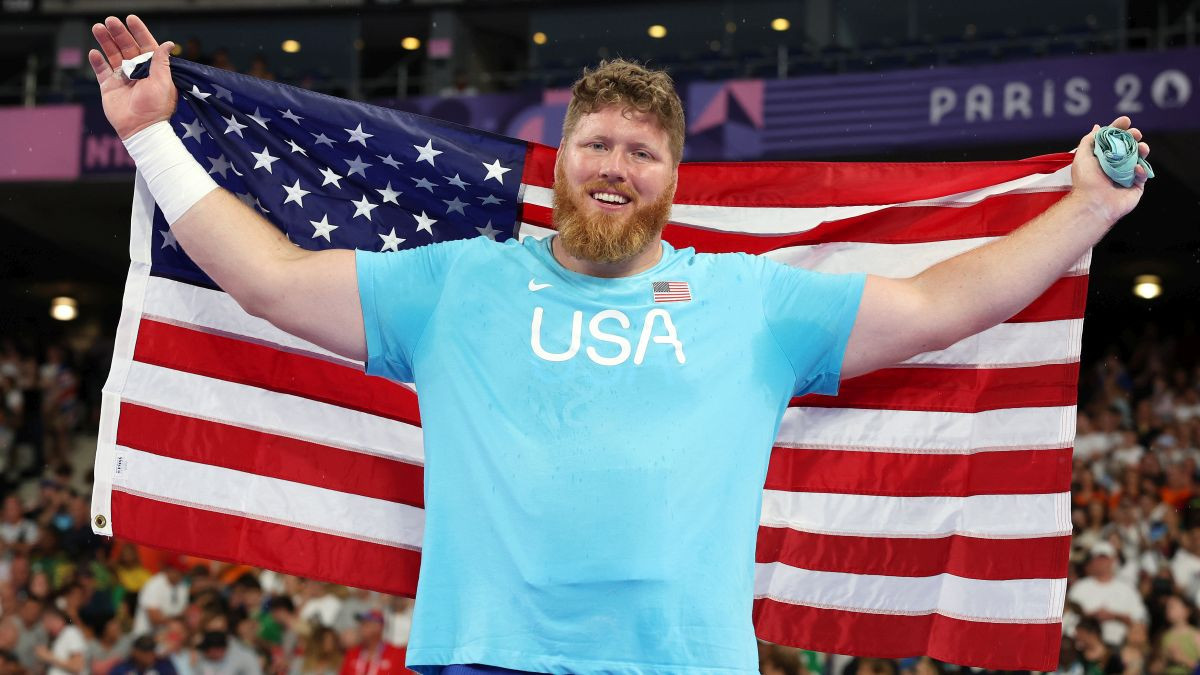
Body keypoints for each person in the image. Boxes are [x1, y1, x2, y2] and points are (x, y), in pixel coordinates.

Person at [88, 13, 1151, 675]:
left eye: (642, 151)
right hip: (482, 660)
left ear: (672, 181)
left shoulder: (753, 302)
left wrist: (1085, 213)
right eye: (595, 142)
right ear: (562, 164)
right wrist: (149, 136)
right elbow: (269, 280)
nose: (615, 164)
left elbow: (938, 307)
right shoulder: (460, 281)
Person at [36, 606, 88, 675]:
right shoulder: (56, 638)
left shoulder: (71, 632)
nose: (44, 626)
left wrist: (48, 656)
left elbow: (77, 666)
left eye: (45, 621)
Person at [108, 636, 177, 675]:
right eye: (145, 651)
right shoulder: (122, 668)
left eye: (152, 651)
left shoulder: (164, 666)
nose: (150, 655)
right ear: (135, 652)